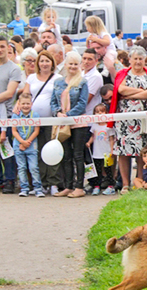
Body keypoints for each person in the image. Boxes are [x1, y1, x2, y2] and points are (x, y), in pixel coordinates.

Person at [110, 46, 147, 194]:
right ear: (130, 60)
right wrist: (142, 92)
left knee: (142, 152)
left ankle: (140, 181)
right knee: (124, 152)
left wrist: (132, 95)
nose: (138, 61)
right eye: (135, 58)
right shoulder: (123, 73)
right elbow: (121, 90)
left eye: (141, 59)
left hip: (144, 121)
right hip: (125, 120)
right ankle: (125, 184)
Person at [50, 51, 89, 198]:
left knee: (78, 155)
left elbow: (82, 103)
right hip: (62, 123)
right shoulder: (58, 82)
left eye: (75, 64)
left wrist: (68, 115)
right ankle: (68, 186)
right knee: (66, 155)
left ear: (79, 65)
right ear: (65, 65)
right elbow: (53, 101)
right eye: (70, 63)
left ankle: (79, 187)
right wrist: (58, 113)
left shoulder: (82, 82)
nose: (72, 66)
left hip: (78, 123)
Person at [23, 50, 61, 195]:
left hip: (51, 120)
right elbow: (26, 95)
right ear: (38, 63)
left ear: (52, 63)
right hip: (34, 121)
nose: (44, 64)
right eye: (42, 61)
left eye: (47, 61)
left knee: (52, 151)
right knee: (37, 152)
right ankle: (41, 183)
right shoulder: (32, 78)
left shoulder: (57, 78)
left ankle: (54, 183)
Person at [0, 36, 22, 194]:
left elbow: (9, 93)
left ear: (7, 48)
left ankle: (10, 179)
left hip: (7, 115)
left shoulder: (14, 68)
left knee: (7, 148)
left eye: (2, 47)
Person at [6, 93, 44, 197]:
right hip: (18, 145)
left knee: (33, 167)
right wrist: (22, 142)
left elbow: (36, 131)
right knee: (21, 167)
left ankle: (37, 188)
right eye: (23, 103)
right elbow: (14, 131)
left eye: (28, 103)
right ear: (19, 104)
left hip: (31, 145)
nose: (25, 106)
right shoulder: (15, 116)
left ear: (31, 104)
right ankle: (24, 188)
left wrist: (27, 142)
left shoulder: (35, 115)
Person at [86, 103, 116, 195]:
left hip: (106, 152)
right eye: (97, 112)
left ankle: (111, 185)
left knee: (108, 169)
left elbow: (111, 139)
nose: (99, 114)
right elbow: (93, 136)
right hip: (96, 152)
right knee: (97, 170)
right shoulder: (94, 126)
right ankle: (97, 186)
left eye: (102, 111)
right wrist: (89, 142)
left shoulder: (108, 126)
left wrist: (112, 150)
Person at [82, 48, 104, 116]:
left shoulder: (96, 76)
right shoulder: (81, 73)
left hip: (90, 116)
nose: (86, 61)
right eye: (84, 58)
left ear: (96, 61)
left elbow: (86, 99)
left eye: (90, 59)